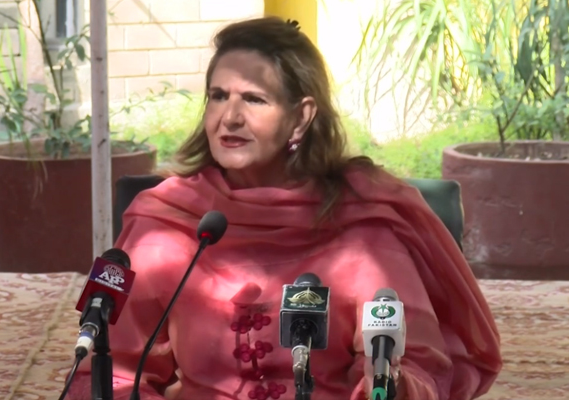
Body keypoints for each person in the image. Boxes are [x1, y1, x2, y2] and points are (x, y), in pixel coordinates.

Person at [68, 16, 502, 400]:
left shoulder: (362, 227)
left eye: (254, 99)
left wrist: (387, 383)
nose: (230, 117)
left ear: (301, 117)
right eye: (218, 96)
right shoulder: (169, 223)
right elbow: (114, 373)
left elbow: (416, 366)